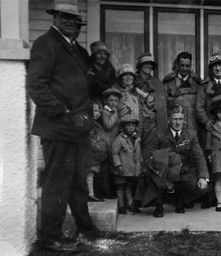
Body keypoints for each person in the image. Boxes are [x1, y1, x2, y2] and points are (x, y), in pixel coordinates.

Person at [26, 1, 100, 252]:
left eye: (75, 21)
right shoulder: (45, 44)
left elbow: (91, 82)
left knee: (78, 181)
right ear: (55, 18)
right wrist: (62, 111)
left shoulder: (76, 49)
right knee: (57, 182)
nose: (71, 23)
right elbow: (36, 85)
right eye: (65, 18)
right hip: (58, 127)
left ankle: (86, 228)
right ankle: (49, 237)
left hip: (77, 128)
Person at [142, 104, 209, 217]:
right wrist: (162, 161)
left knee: (201, 187)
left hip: (183, 171)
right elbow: (149, 154)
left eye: (180, 119)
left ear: (184, 120)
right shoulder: (159, 134)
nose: (178, 122)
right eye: (174, 119)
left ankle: (180, 199)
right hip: (164, 171)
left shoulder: (191, 134)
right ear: (169, 120)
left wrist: (203, 176)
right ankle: (159, 204)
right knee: (152, 178)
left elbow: (199, 156)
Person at [163, 52, 201, 131]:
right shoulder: (168, 83)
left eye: (187, 66)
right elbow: (164, 106)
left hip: (193, 124)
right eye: (182, 65)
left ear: (191, 66)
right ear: (177, 65)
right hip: (175, 124)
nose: (184, 68)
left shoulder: (197, 82)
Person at [112, 116, 142, 214]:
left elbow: (138, 153)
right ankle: (121, 206)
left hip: (131, 168)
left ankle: (130, 204)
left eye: (133, 126)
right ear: (123, 127)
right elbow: (114, 153)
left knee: (129, 186)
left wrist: (139, 166)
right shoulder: (119, 139)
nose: (130, 128)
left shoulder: (136, 139)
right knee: (120, 186)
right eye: (128, 126)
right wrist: (118, 165)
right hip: (122, 168)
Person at [134, 53, 168, 132]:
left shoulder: (157, 82)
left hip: (152, 123)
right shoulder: (133, 81)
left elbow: (162, 103)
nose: (148, 66)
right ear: (140, 66)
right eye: (145, 64)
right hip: (136, 120)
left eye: (150, 64)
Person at [85, 101, 108, 202]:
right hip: (91, 152)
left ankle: (91, 193)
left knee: (92, 174)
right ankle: (89, 193)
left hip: (96, 153)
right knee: (89, 173)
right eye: (94, 111)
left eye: (99, 111)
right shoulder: (89, 124)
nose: (97, 113)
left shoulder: (96, 124)